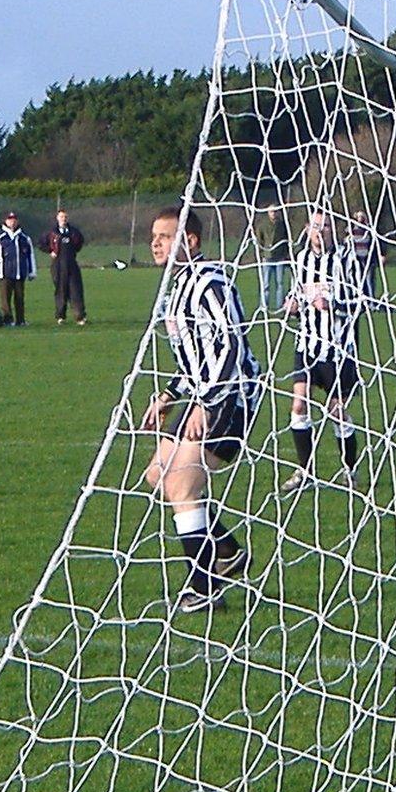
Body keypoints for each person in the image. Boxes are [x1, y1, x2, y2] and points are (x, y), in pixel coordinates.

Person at [138, 205, 264, 614]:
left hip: (229, 397)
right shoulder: (178, 288)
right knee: (157, 474)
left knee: (182, 486)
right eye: (153, 236)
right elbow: (194, 358)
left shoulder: (209, 281)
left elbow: (229, 345)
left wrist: (205, 404)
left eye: (165, 235)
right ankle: (226, 551)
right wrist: (168, 396)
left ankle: (204, 587)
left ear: (189, 241)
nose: (155, 242)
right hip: (205, 395)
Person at [280, 211, 366, 491]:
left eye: (326, 226)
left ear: (333, 230)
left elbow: (361, 301)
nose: (321, 231)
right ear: (307, 229)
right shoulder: (300, 260)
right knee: (298, 404)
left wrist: (334, 305)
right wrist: (291, 304)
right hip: (306, 345)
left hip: (338, 349)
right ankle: (304, 472)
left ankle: (350, 469)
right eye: (316, 226)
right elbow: (297, 294)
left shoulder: (347, 259)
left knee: (336, 412)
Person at [0, 210, 37, 327]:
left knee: (20, 298)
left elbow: (30, 254)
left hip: (20, 272)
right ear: (5, 221)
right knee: (5, 299)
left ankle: (20, 320)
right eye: (9, 219)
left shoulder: (24, 237)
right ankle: (8, 320)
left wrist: (32, 272)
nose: (12, 222)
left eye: (14, 220)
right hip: (4, 272)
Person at [44, 208, 88, 325]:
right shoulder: (52, 233)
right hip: (58, 265)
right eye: (61, 217)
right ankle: (60, 316)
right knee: (61, 290)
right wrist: (50, 251)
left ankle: (79, 316)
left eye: (65, 217)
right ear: (57, 218)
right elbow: (41, 243)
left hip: (72, 264)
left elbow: (79, 243)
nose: (64, 219)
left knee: (76, 290)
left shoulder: (73, 232)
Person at [256, 198, 292, 317]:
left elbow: (286, 240)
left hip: (279, 258)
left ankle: (280, 308)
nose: (274, 213)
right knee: (266, 284)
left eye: (276, 211)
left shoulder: (282, 224)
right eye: (272, 211)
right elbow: (258, 240)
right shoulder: (262, 225)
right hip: (267, 258)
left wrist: (286, 254)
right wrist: (262, 254)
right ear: (268, 212)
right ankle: (264, 307)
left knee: (280, 284)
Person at [347, 209, 379, 300]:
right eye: (359, 217)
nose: (360, 219)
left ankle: (371, 300)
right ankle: (358, 298)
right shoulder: (352, 229)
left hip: (367, 258)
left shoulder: (369, 230)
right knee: (357, 279)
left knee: (370, 280)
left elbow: (375, 243)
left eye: (362, 217)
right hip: (356, 258)